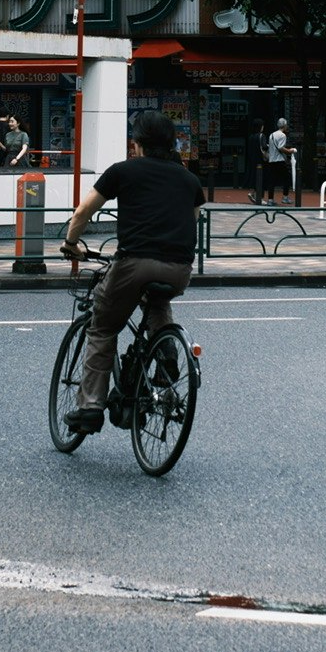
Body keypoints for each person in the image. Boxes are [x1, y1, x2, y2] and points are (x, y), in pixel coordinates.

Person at [58, 111, 206, 436]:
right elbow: (191, 219)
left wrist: (71, 244)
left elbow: (83, 211)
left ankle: (90, 407)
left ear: (136, 143)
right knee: (156, 302)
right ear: (172, 143)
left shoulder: (123, 171)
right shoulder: (189, 180)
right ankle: (166, 350)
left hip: (134, 264)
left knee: (102, 328)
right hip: (180, 269)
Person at [264, 117, 292, 206]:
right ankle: (285, 197)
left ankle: (270, 200)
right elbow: (281, 148)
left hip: (271, 160)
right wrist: (290, 151)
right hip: (279, 160)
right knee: (287, 178)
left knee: (271, 181)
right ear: (285, 125)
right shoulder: (283, 135)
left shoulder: (271, 135)